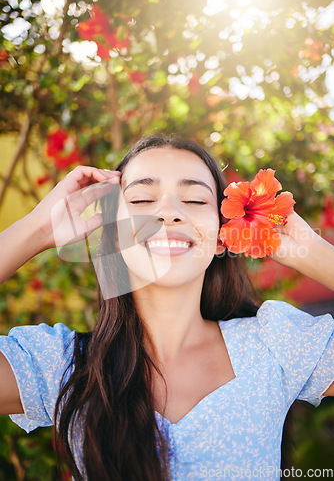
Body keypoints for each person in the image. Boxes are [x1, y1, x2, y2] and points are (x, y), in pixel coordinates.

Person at [0, 133, 333, 481]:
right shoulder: (65, 366)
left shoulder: (276, 345)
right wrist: (35, 230)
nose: (169, 213)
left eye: (193, 199)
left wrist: (310, 250)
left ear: (222, 236)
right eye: (143, 199)